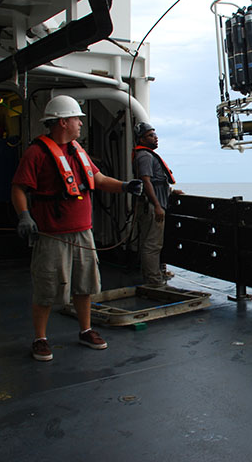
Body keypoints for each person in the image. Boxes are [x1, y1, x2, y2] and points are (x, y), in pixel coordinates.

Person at [11, 95, 143, 362]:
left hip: (83, 231)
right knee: (47, 287)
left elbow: (99, 179)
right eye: (76, 119)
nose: (81, 123)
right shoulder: (36, 153)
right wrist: (24, 216)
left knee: (85, 285)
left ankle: (86, 330)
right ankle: (40, 338)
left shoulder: (78, 151)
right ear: (62, 122)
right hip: (52, 234)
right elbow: (19, 188)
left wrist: (125, 186)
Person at [132, 121, 183, 287]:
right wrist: (157, 206)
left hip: (154, 204)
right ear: (141, 139)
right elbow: (146, 181)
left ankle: (154, 275)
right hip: (152, 207)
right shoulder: (145, 156)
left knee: (151, 243)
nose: (155, 138)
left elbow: (156, 182)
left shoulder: (146, 155)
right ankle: (153, 281)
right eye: (150, 135)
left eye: (155, 134)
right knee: (152, 245)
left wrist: (171, 192)